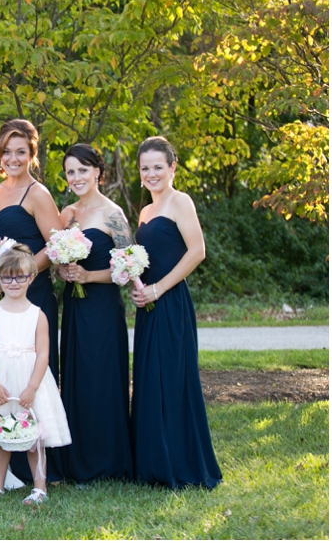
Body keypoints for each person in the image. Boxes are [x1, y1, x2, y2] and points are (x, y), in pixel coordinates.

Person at [129, 136, 222, 489]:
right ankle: (152, 464)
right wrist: (136, 282)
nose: (151, 173)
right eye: (145, 167)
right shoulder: (146, 211)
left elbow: (197, 251)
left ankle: (180, 465)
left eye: (157, 167)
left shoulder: (180, 201)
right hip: (147, 305)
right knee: (150, 380)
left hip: (170, 302)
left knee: (173, 379)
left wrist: (158, 288)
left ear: (172, 167)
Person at [0, 119, 61, 483]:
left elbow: (56, 246)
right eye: (7, 151)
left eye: (21, 152)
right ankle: (2, 458)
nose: (14, 158)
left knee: (32, 376)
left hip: (33, 295)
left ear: (32, 155)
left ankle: (36, 462)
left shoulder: (38, 194)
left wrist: (20, 275)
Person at [0, 244, 71, 504]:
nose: (13, 282)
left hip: (29, 381)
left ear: (31, 277)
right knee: (0, 434)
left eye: (20, 276)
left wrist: (32, 387)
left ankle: (39, 486)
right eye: (7, 277)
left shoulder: (38, 315)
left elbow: (43, 354)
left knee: (34, 434)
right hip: (0, 381)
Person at [52, 144, 134, 483]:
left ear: (98, 172)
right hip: (74, 306)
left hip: (102, 307)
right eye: (71, 172)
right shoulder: (67, 213)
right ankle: (76, 459)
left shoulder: (113, 213)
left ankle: (107, 461)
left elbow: (129, 268)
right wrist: (65, 271)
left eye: (82, 170)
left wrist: (89, 276)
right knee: (76, 377)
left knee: (101, 377)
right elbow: (56, 265)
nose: (76, 177)